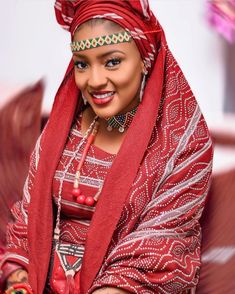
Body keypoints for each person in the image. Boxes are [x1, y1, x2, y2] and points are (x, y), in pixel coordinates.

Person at [0, 0, 213, 293]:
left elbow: (163, 245)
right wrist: (19, 281)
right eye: (82, 64)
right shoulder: (63, 131)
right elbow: (27, 220)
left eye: (112, 61)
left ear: (145, 59)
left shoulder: (183, 144)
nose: (95, 81)